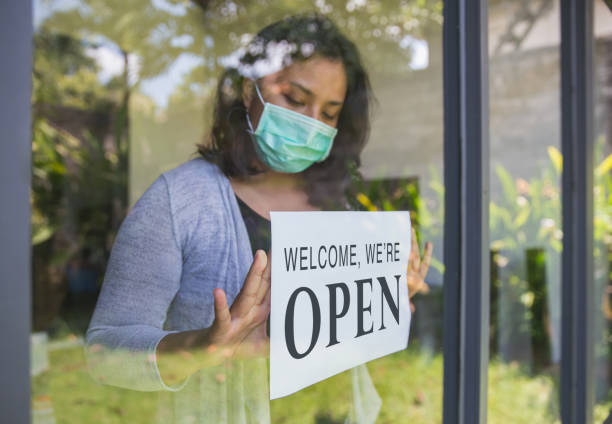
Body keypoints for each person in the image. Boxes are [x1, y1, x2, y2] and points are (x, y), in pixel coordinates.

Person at [85, 12, 433, 424]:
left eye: (329, 113)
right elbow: (104, 354)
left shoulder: (338, 204)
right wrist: (200, 346)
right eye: (296, 100)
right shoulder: (178, 201)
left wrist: (387, 300)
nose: (309, 124)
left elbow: (340, 336)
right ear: (250, 89)